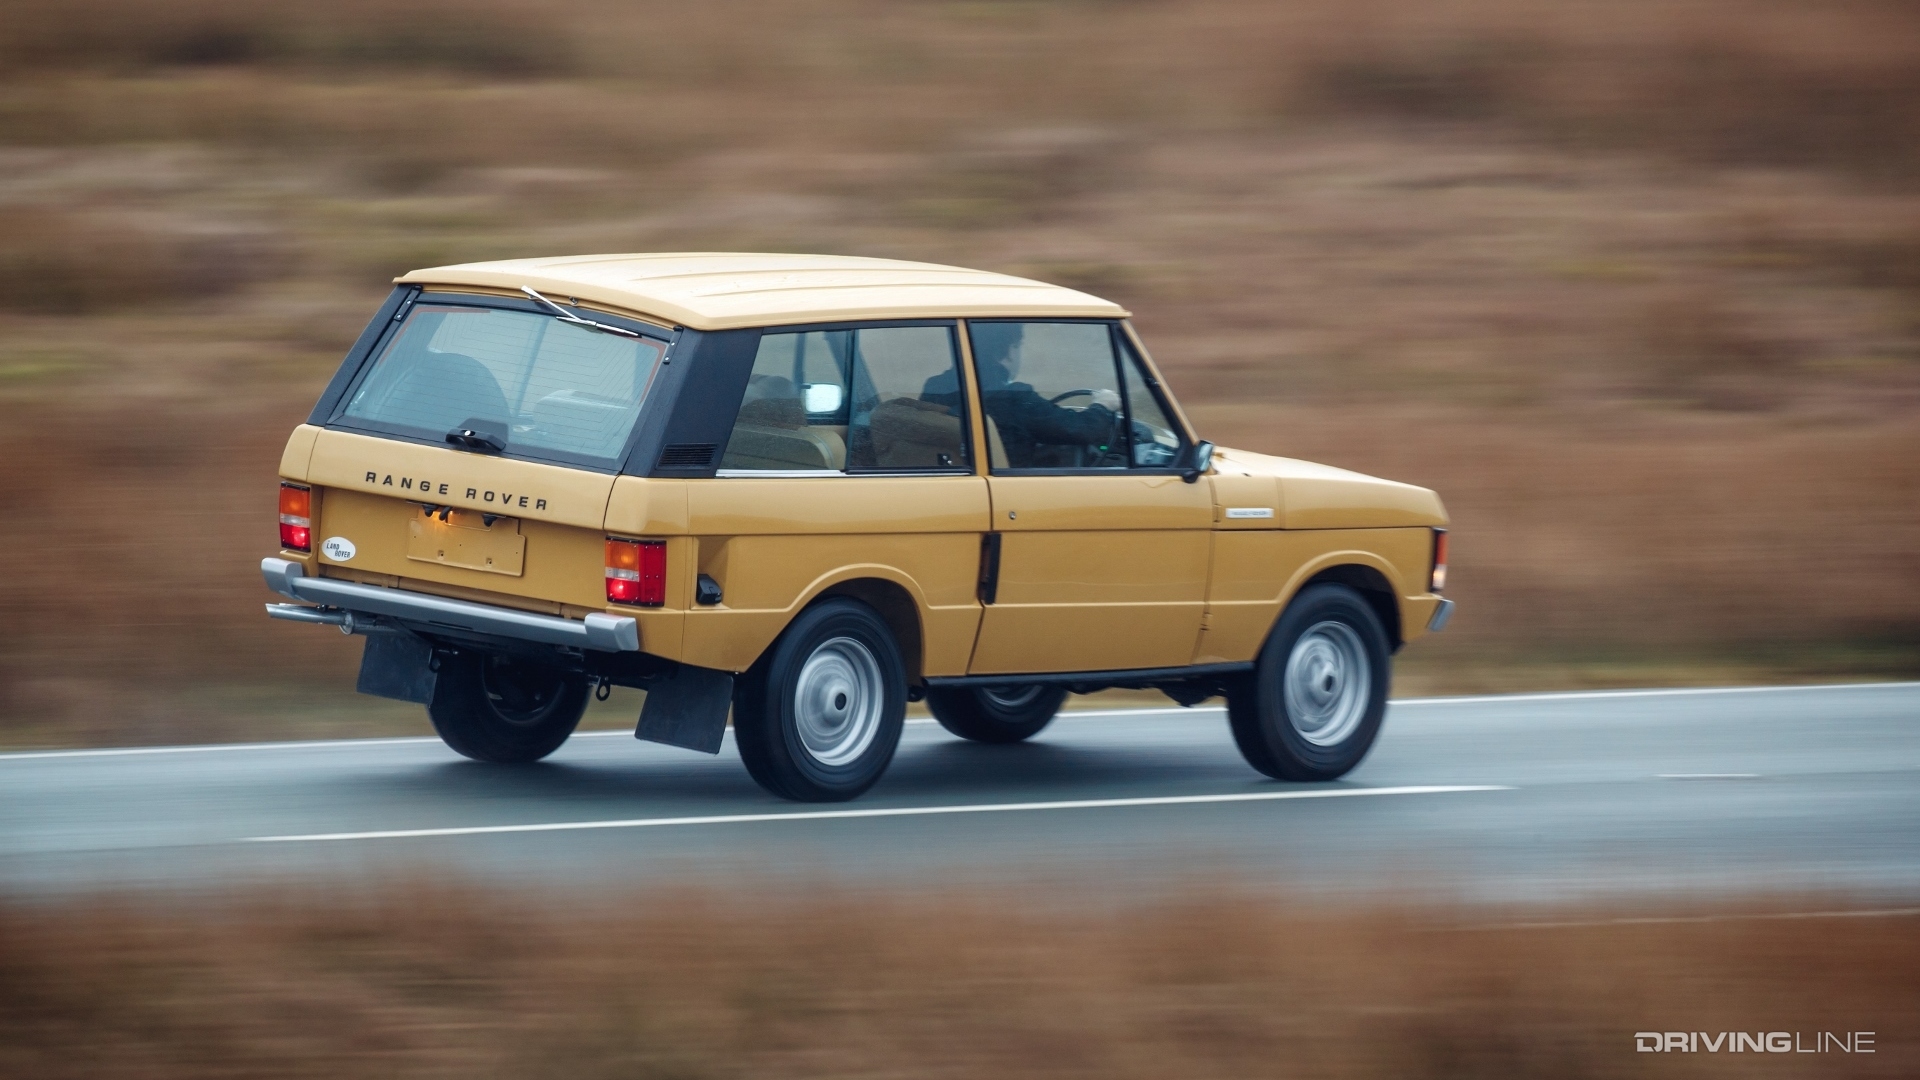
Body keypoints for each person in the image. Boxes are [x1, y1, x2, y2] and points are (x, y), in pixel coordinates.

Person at [922, 323, 1123, 468]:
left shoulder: (936, 386)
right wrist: (1102, 406)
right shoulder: (1012, 398)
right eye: (1019, 346)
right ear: (1011, 350)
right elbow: (1081, 430)